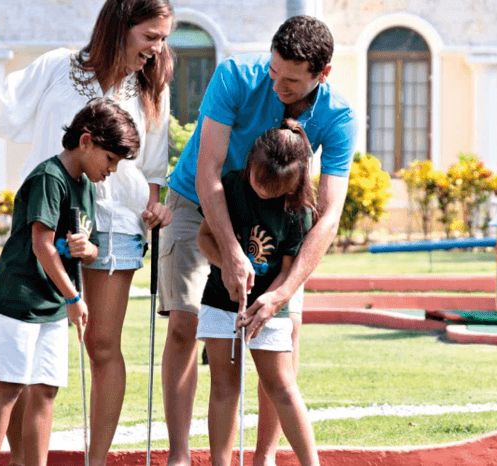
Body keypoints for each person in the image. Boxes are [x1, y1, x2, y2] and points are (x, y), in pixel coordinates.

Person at [0, 2, 174, 465]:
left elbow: (153, 169)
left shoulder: (150, 85)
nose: (158, 48)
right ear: (122, 27)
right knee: (29, 365)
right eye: (151, 36)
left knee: (101, 345)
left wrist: (155, 206)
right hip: (53, 231)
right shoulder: (58, 67)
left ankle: (94, 461)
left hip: (118, 228)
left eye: (163, 38)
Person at [159, 15, 357, 466]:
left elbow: (326, 217)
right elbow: (209, 171)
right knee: (184, 324)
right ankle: (180, 456)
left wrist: (283, 292)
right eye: (274, 71)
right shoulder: (234, 76)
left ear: (322, 74)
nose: (277, 84)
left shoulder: (339, 116)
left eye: (291, 80)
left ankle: (264, 458)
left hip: (280, 219)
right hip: (198, 201)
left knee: (282, 335)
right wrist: (229, 252)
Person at [0, 99, 141, 466]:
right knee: (9, 388)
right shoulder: (49, 178)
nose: (112, 170)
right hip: (19, 297)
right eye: (110, 160)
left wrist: (88, 250)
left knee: (46, 390)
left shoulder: (84, 184)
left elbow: (90, 248)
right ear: (86, 142)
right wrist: (74, 297)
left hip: (51, 302)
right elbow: (42, 244)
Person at [197, 120, 320, 466]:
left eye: (276, 189)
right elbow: (204, 238)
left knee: (281, 385)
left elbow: (288, 270)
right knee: (223, 386)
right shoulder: (231, 186)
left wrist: (272, 300)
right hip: (221, 301)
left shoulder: (298, 210)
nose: (265, 193)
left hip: (269, 308)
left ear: (295, 182)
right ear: (251, 163)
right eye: (260, 184)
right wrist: (227, 263)